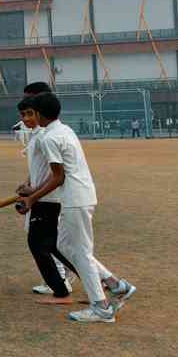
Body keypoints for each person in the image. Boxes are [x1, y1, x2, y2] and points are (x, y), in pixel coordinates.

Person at [15, 90, 137, 324]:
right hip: (80, 195)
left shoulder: (49, 138)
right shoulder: (65, 130)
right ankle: (115, 285)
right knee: (63, 245)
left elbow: (58, 177)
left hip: (74, 198)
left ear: (39, 114)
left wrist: (31, 198)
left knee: (81, 253)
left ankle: (101, 307)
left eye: (32, 113)